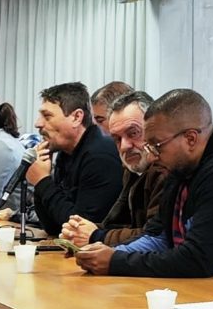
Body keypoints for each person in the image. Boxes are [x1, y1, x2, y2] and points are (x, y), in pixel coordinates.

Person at [72, 89, 213, 288]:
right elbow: (158, 237)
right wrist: (111, 253)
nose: (152, 156)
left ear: (190, 139)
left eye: (157, 146)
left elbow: (196, 259)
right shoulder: (182, 169)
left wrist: (116, 262)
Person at [21, 81, 122, 236]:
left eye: (47, 116)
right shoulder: (66, 152)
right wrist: (41, 183)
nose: (38, 124)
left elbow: (79, 229)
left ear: (76, 117)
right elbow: (52, 226)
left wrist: (42, 181)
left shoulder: (100, 156)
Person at [61, 89, 159, 247]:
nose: (124, 146)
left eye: (133, 133)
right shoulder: (131, 170)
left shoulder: (166, 171)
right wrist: (79, 231)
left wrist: (96, 235)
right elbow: (117, 223)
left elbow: (156, 237)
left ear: (155, 128)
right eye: (117, 139)